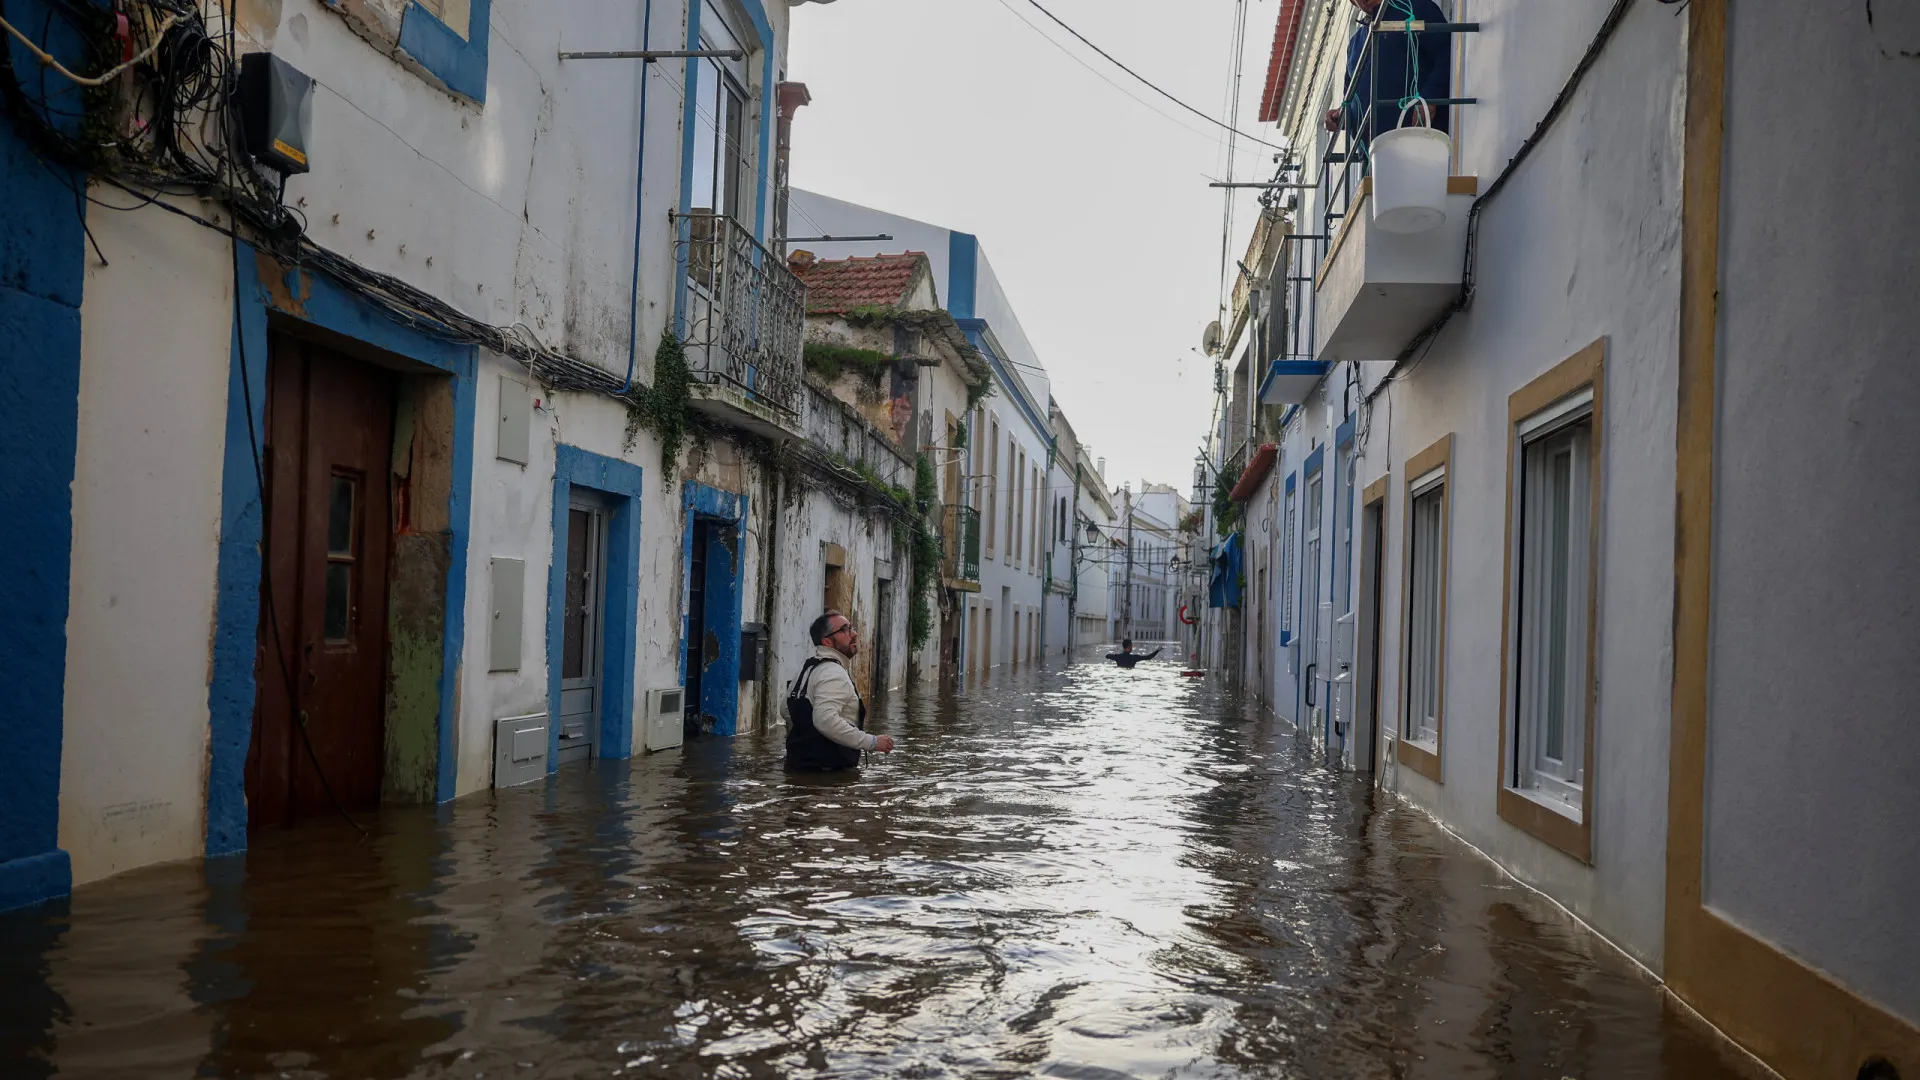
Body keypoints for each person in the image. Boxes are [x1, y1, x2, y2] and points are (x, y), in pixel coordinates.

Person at [1322, 0, 1453, 144]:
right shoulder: (1355, 46)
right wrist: (1340, 117)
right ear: (1353, 2)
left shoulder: (1414, 9)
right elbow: (1352, 100)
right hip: (1377, 155)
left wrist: (1430, 97)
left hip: (1423, 135)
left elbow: (1447, 52)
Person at [784, 610, 896, 772]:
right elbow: (825, 721)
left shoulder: (807, 669)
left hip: (798, 767)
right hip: (830, 776)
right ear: (827, 642)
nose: (854, 634)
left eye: (851, 628)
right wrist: (871, 742)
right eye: (845, 630)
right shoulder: (833, 673)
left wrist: (805, 740)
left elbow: (786, 710)